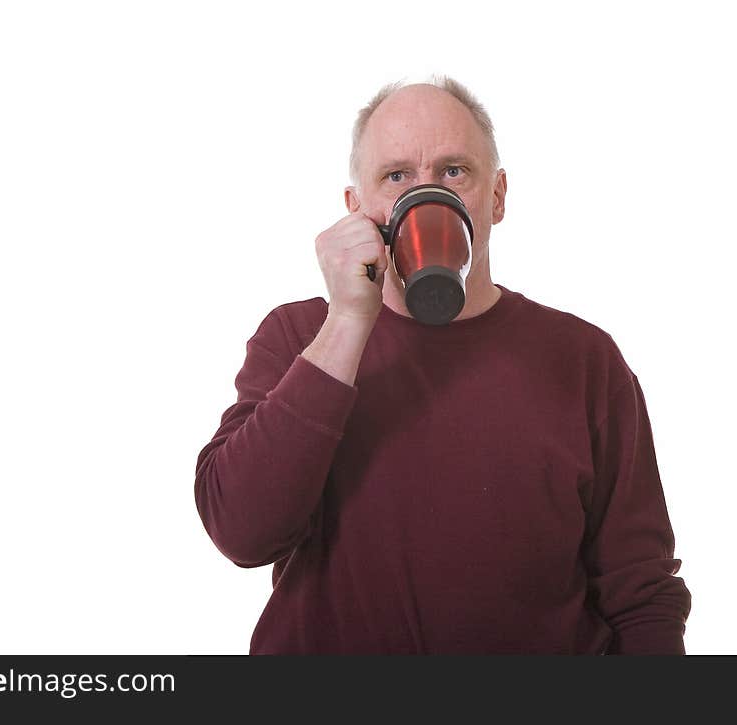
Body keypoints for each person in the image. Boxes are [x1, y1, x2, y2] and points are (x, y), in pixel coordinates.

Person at [194, 76, 691, 654]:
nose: (425, 193)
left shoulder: (584, 359)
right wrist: (349, 321)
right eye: (396, 176)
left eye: (454, 171)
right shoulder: (300, 337)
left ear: (497, 196)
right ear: (357, 208)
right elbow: (242, 532)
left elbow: (641, 590)